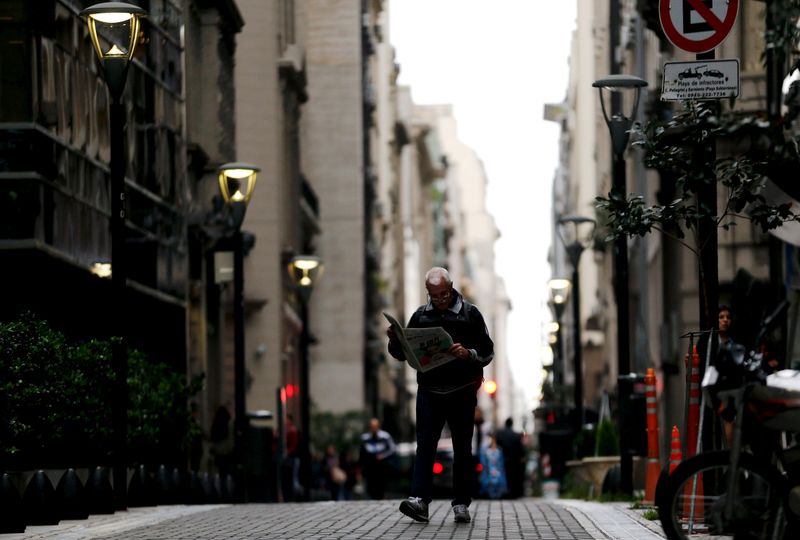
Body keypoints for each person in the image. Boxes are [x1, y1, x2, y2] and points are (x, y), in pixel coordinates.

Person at [388, 267, 494, 524]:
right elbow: (402, 355)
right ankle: (419, 501)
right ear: (428, 292)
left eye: (444, 294)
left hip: (461, 391)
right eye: (434, 295)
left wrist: (467, 353)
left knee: (462, 449)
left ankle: (461, 504)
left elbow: (487, 351)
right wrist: (395, 341)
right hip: (429, 391)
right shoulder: (421, 316)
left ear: (451, 287)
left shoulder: (470, 314)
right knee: (425, 446)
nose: (440, 299)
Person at [359, 417, 397, 500]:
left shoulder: (385, 436)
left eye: (375, 426)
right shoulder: (365, 438)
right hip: (370, 466)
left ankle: (382, 496)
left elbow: (393, 449)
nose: (374, 428)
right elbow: (361, 453)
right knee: (371, 486)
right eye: (372, 426)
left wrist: (383, 455)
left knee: (382, 484)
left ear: (378, 426)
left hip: (382, 465)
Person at [495, 417, 525, 498]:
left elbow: (497, 446)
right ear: (512, 424)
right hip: (513, 459)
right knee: (513, 477)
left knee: (502, 476)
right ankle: (512, 493)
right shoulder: (516, 435)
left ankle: (503, 492)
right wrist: (521, 457)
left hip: (502, 459)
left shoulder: (499, 434)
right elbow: (520, 448)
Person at [478, 434, 508, 500]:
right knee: (488, 482)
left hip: (497, 470)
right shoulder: (485, 451)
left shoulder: (499, 450)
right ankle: (489, 494)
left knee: (499, 482)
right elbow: (483, 463)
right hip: (489, 470)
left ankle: (497, 494)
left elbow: (501, 462)